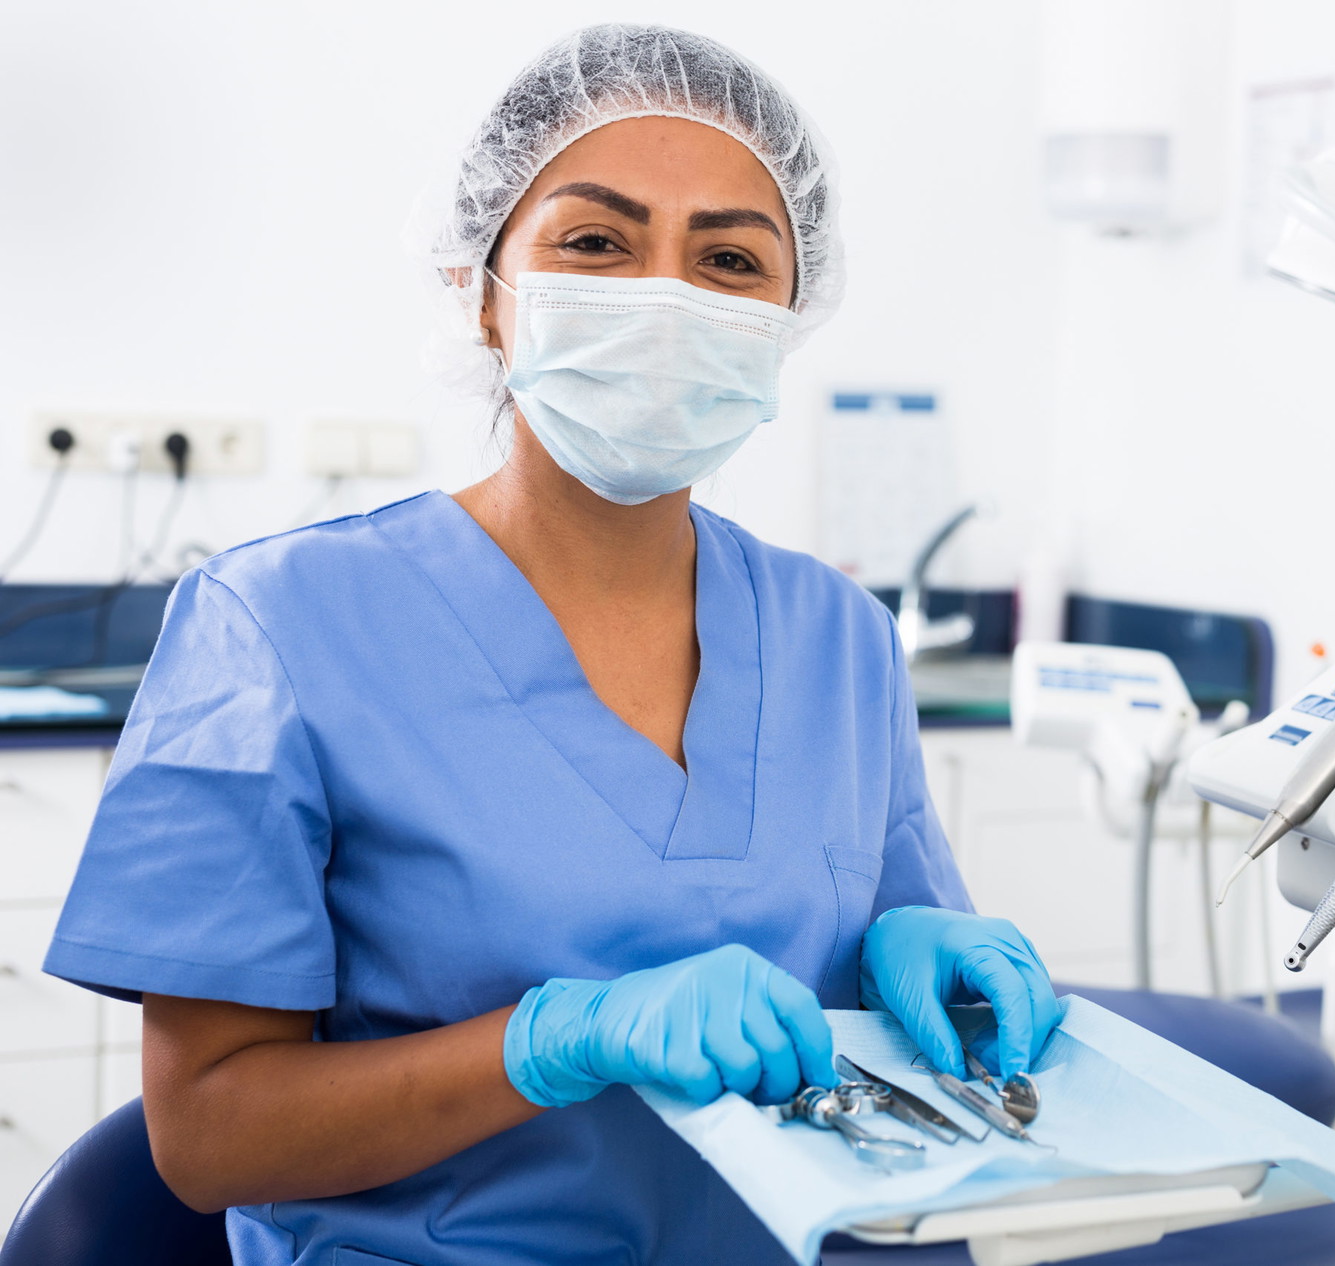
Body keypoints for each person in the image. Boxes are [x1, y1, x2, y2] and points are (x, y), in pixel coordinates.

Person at [44, 24, 1061, 1265]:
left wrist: (922, 963)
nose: (666, 299)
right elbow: (208, 1139)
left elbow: (893, 1019)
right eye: (596, 242)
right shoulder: (279, 625)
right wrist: (553, 1042)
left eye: (730, 259)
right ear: (486, 288)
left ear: (789, 317)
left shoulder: (837, 637)